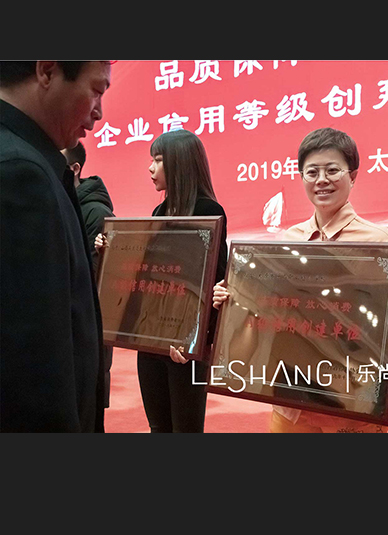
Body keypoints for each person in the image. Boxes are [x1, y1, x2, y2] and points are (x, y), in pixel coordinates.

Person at [213, 127, 388, 434]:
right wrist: (231, 298)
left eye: (332, 170)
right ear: (302, 178)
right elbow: (266, 304)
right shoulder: (288, 241)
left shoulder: (378, 241)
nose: (321, 180)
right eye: (312, 172)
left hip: (351, 401)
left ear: (353, 176)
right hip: (291, 396)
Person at [0, 60, 112, 433]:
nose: (99, 112)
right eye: (96, 90)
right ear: (47, 71)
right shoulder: (20, 173)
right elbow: (32, 369)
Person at [97, 130, 228, 433]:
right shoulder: (159, 211)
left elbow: (215, 281)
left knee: (186, 429)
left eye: (158, 160)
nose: (150, 168)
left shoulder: (208, 211)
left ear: (179, 163)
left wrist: (195, 341)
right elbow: (146, 273)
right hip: (151, 339)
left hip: (184, 348)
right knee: (158, 427)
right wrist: (110, 250)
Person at [62, 142, 115, 410]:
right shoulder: (62, 202)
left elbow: (99, 277)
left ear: (75, 169)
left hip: (87, 326)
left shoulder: (96, 212)